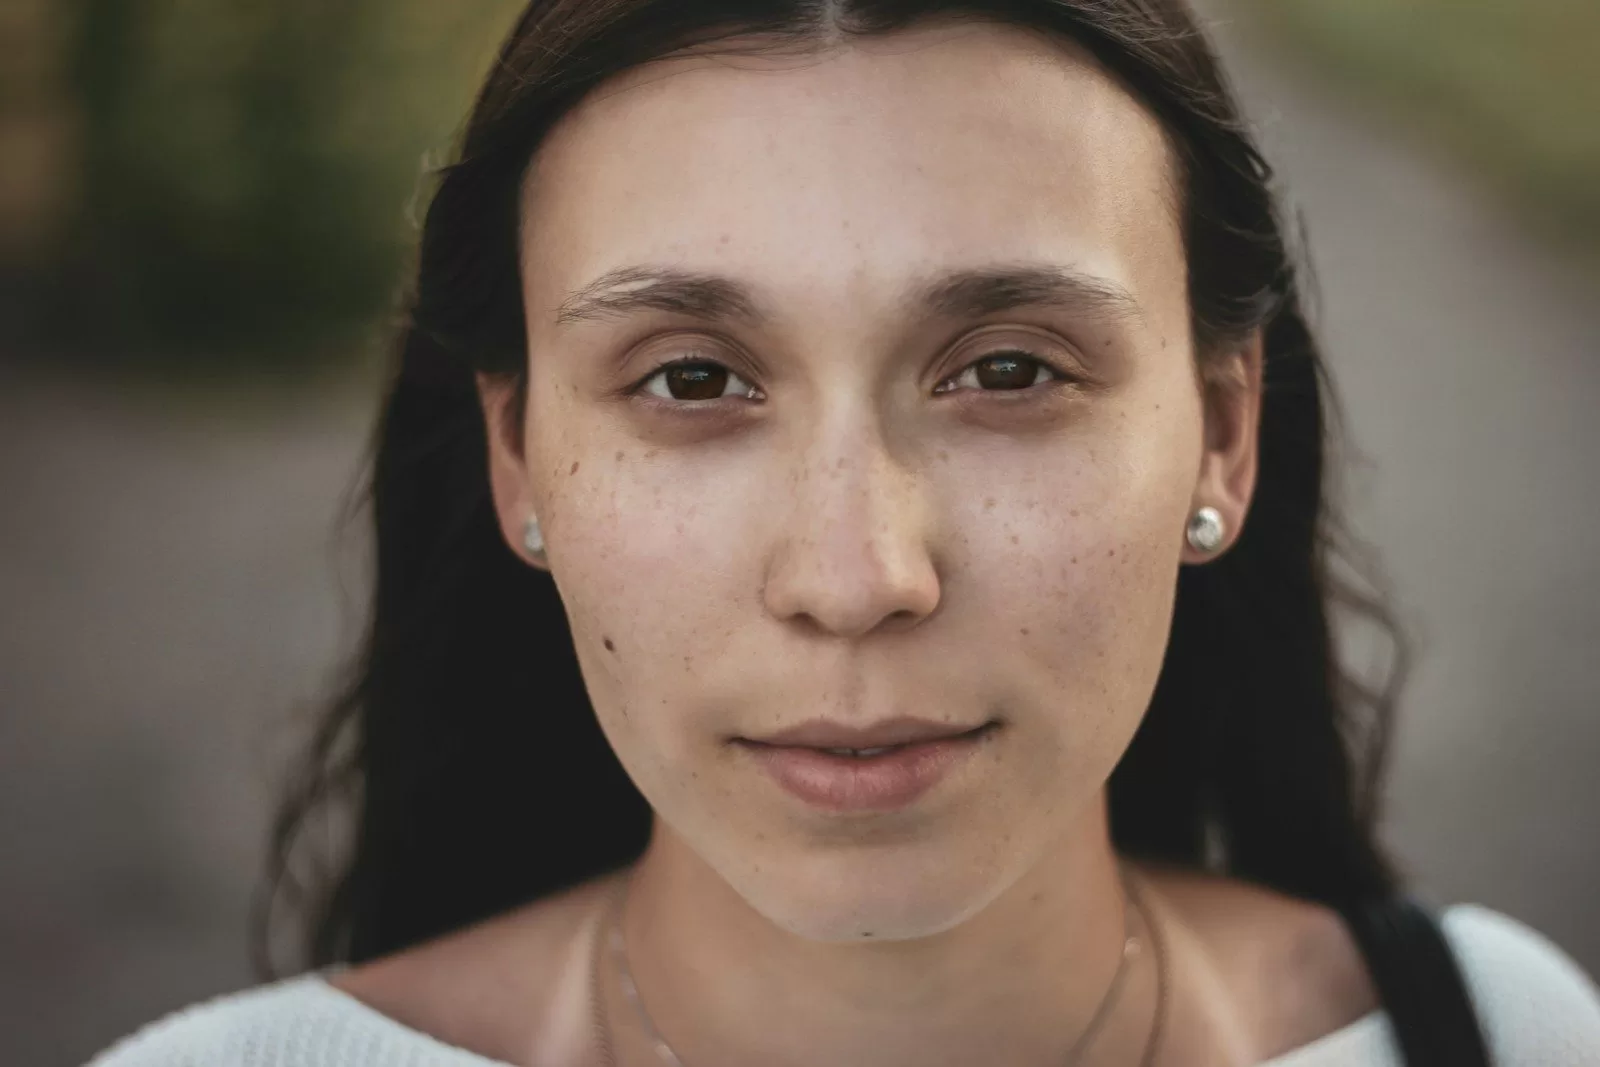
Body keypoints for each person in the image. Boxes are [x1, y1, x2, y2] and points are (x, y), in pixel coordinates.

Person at [88, 1, 1600, 1065]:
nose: (858, 577)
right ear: (517, 453)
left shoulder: (1495, 1031)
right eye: (692, 378)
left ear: (1223, 428)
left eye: (1008, 369)